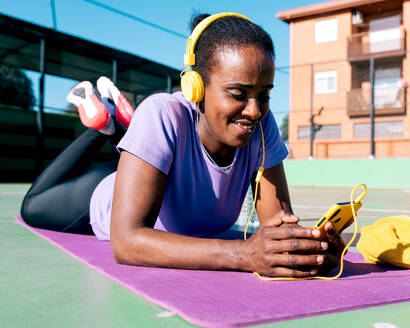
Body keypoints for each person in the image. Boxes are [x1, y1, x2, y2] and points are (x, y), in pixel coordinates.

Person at [21, 13, 347, 278]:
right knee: (32, 206)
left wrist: (312, 250)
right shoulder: (163, 112)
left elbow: (278, 227)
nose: (254, 110)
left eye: (264, 95)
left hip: (148, 165)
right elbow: (126, 242)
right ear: (195, 87)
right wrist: (244, 254)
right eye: (238, 93)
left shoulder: (262, 126)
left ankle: (112, 127)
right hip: (100, 193)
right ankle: (101, 127)